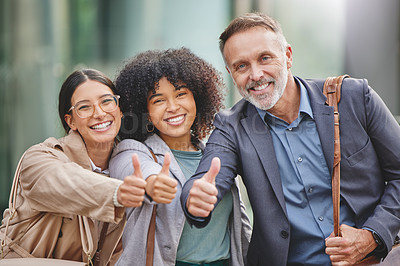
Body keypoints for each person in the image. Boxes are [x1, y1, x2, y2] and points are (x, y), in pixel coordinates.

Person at [180, 12, 400, 266]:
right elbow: (205, 178)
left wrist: (371, 236)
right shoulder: (231, 126)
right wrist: (195, 198)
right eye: (241, 66)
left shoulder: (353, 97)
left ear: (288, 56)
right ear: (231, 74)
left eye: (265, 58)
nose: (256, 74)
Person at [109, 47, 252, 266]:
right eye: (158, 100)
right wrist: (152, 183)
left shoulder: (214, 153)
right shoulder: (134, 151)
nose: (173, 107)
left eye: (181, 94)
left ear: (198, 98)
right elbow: (132, 168)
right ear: (144, 111)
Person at [0, 69, 146, 265]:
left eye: (106, 101)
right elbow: (65, 182)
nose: (100, 113)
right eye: (85, 107)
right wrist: (117, 193)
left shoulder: (127, 166)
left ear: (119, 109)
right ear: (71, 121)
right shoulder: (39, 158)